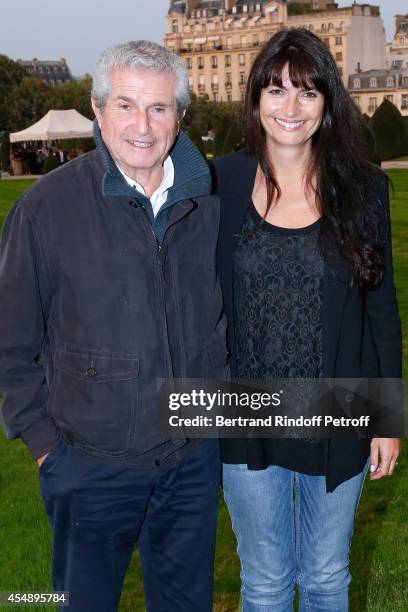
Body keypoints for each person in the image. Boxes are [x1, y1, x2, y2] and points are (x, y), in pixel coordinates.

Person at [0, 40, 227, 612]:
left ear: (180, 115)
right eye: (125, 106)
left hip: (190, 461)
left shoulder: (213, 200)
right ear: (98, 112)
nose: (143, 126)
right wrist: (48, 447)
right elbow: (9, 342)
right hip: (89, 463)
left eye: (159, 108)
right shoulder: (46, 208)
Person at [213, 28, 402, 611]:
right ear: (255, 99)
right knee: (266, 584)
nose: (290, 108)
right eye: (276, 90)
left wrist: (389, 418)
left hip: (338, 411)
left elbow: (381, 311)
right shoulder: (218, 183)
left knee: (324, 576)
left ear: (328, 104)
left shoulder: (364, 188)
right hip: (249, 416)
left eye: (307, 92)